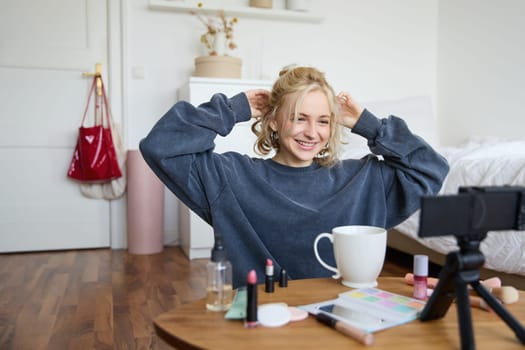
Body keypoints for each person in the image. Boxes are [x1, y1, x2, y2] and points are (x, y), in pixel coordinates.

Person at [140, 66, 449, 288]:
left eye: (324, 121)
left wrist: (369, 125)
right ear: (273, 121)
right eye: (299, 118)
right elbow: (160, 146)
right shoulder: (231, 178)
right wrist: (233, 109)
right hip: (262, 317)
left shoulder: (363, 180)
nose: (312, 132)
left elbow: (431, 168)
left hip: (342, 315)